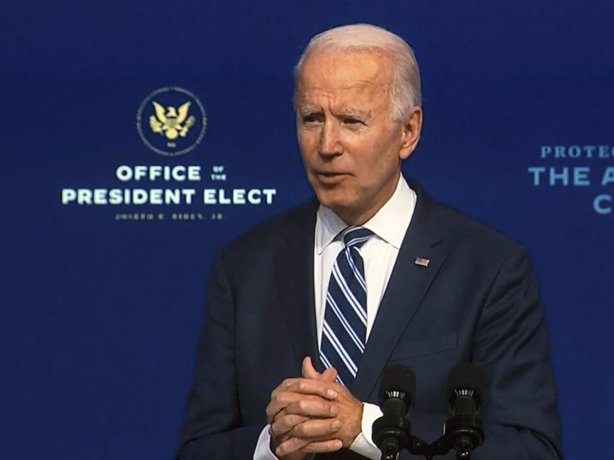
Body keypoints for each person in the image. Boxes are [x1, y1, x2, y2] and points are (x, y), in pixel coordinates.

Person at [177, 24, 562, 460]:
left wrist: (366, 427)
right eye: (312, 119)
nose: (327, 145)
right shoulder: (245, 266)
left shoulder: (488, 269)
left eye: (351, 121)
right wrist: (272, 442)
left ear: (408, 132)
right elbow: (198, 449)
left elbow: (529, 449)